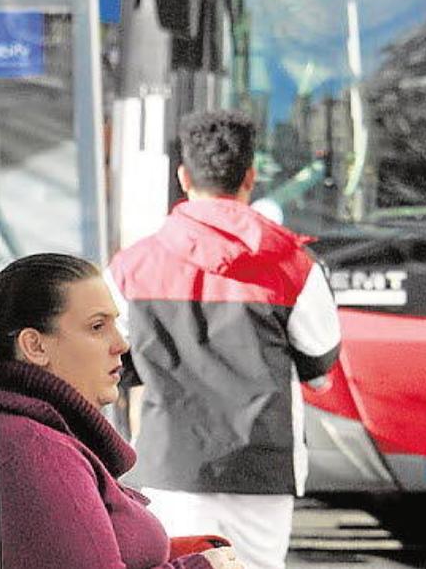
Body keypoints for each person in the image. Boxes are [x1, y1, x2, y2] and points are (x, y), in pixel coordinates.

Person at [106, 109, 342, 569]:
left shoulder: (132, 266)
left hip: (169, 465)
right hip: (262, 469)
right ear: (250, 177)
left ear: (183, 177)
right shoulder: (293, 263)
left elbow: (111, 360)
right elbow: (320, 357)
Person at [0, 253, 243, 569]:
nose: (121, 343)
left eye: (115, 323)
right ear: (35, 346)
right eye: (97, 326)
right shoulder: (36, 447)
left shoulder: (44, 435)